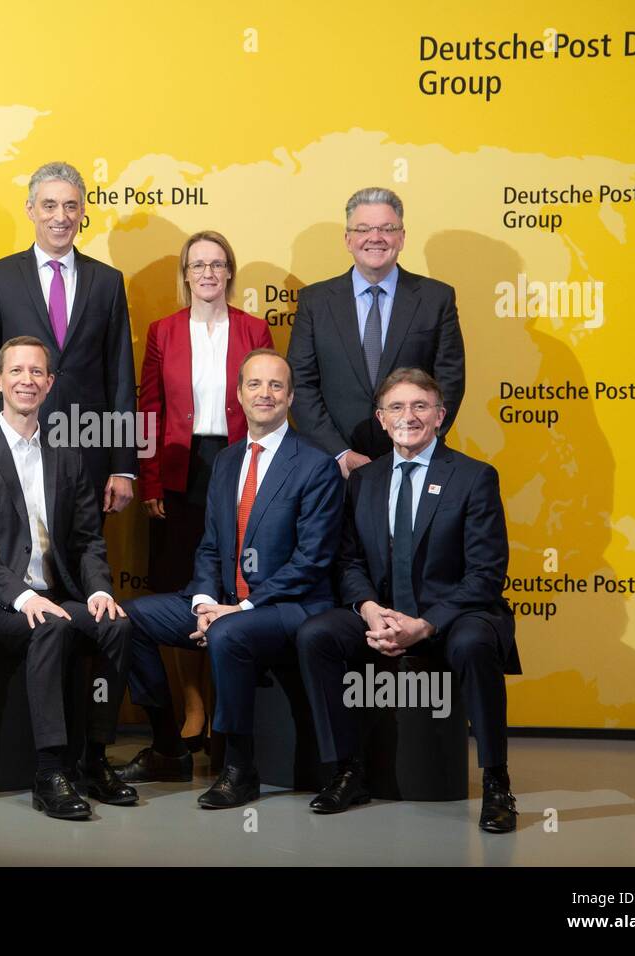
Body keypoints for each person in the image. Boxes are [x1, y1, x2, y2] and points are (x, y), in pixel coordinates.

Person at [295, 367, 520, 833]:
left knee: (476, 643)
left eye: (420, 406)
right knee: (316, 635)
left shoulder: (474, 477)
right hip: (381, 613)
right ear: (381, 419)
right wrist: (368, 609)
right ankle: (347, 770)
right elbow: (348, 561)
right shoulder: (364, 480)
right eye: (396, 407)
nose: (408, 416)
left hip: (453, 616)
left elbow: (485, 575)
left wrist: (425, 624)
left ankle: (497, 782)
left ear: (440, 415)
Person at [118, 349, 344, 809]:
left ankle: (239, 769)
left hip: (290, 605)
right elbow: (209, 546)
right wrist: (204, 600)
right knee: (132, 618)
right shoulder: (225, 462)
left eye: (276, 386)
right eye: (255, 385)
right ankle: (167, 747)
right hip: (220, 600)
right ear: (238, 394)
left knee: (228, 634)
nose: (265, 394)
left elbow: (312, 561)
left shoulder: (316, 465)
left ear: (291, 397)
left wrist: (238, 609)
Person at [0, 336, 135, 820]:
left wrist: (98, 590)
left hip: (61, 592)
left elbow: (89, 539)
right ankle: (49, 771)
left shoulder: (67, 455)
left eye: (37, 372)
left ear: (50, 384)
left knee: (115, 623)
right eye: (16, 371)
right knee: (49, 625)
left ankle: (94, 758)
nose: (26, 380)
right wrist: (22, 598)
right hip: (0, 605)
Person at [138, 230, 272, 749]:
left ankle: (226, 710)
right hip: (179, 468)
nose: (209, 273)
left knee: (231, 585)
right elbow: (148, 408)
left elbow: (269, 402)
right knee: (181, 587)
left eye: (218, 264)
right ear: (185, 274)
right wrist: (149, 476)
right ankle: (193, 709)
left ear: (230, 272)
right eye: (199, 265)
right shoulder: (163, 331)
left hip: (241, 462)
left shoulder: (254, 329)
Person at [0, 162, 136, 514]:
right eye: (49, 205)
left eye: (71, 206)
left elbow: (120, 378)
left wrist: (123, 465)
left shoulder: (107, 282)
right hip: (13, 449)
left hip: (89, 449)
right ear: (31, 209)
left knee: (80, 560)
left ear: (83, 212)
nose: (61, 216)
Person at [288, 187, 464, 478]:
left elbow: (449, 383)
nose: (375, 237)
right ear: (348, 239)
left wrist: (415, 445)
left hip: (413, 464)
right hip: (333, 469)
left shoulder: (436, 299)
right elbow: (302, 385)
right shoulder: (315, 302)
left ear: (402, 237)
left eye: (387, 228)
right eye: (364, 228)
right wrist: (339, 453)